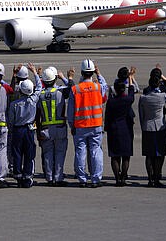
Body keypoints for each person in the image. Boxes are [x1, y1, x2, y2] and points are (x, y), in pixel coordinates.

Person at [67, 59, 108, 188]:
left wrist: (71, 125)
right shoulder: (98, 87)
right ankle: (96, 178)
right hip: (96, 125)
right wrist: (99, 74)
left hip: (80, 125)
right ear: (92, 73)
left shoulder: (75, 89)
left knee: (80, 152)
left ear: (82, 72)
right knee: (96, 151)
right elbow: (104, 86)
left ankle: (82, 179)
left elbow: (70, 110)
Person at [36, 67, 73, 186]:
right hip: (59, 128)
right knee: (60, 153)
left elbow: (37, 115)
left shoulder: (39, 95)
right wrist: (67, 78)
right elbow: (72, 89)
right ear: (55, 78)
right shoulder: (60, 92)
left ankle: (49, 177)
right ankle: (58, 178)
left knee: (47, 154)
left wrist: (38, 131)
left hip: (45, 128)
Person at [8, 63, 41, 188]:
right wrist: (35, 73)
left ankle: (18, 175)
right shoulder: (33, 100)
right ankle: (27, 176)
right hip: (29, 129)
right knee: (29, 153)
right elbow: (39, 87)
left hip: (18, 129)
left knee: (17, 153)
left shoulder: (14, 104)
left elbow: (11, 120)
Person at [138, 75, 166, 187]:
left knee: (149, 155)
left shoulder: (143, 98)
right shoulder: (162, 96)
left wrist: (143, 125)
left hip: (148, 126)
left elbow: (141, 114)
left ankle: (150, 178)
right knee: (159, 155)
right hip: (159, 127)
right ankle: (157, 178)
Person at [104, 71, 136, 187]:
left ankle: (117, 178)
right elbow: (132, 91)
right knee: (126, 155)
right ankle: (123, 177)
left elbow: (107, 116)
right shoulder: (128, 100)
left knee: (115, 156)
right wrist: (131, 79)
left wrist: (106, 127)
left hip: (114, 128)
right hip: (126, 129)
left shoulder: (111, 102)